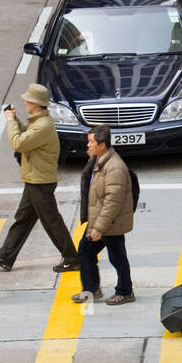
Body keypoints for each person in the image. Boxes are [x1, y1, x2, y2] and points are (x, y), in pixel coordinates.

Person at [0, 84, 80, 273]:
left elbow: (18, 143)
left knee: (51, 221)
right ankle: (6, 256)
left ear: (35, 103)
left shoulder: (43, 125)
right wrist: (15, 118)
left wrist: (10, 121)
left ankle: (72, 258)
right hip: (35, 179)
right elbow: (24, 134)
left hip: (41, 182)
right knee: (23, 218)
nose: (25, 102)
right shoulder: (38, 121)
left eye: (28, 100)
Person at [72, 124, 135, 305]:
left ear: (103, 144)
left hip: (110, 224)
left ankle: (125, 291)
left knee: (117, 258)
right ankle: (91, 289)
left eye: (91, 142)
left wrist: (99, 227)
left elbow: (112, 202)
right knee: (85, 250)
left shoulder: (114, 167)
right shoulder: (98, 160)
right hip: (99, 221)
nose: (88, 145)